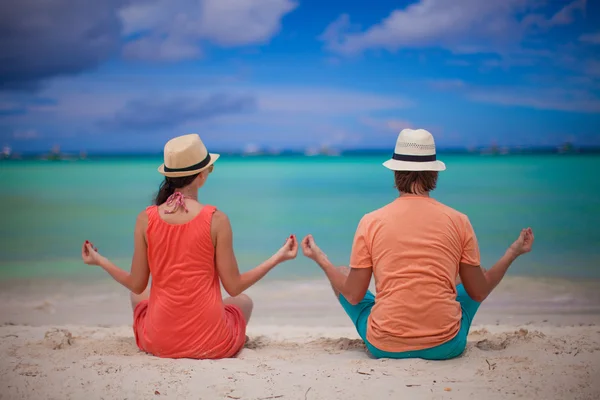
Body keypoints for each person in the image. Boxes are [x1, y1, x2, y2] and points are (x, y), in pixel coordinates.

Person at [301, 128, 534, 360]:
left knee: (342, 273)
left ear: (395, 173)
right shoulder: (459, 221)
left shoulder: (371, 221)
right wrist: (512, 253)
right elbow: (479, 291)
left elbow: (353, 295)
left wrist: (321, 259)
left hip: (384, 345)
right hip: (446, 346)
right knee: (473, 277)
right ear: (434, 174)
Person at [81, 133, 298, 359]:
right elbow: (234, 287)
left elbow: (136, 284)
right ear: (202, 176)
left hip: (159, 343)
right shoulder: (216, 220)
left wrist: (99, 260)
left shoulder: (146, 219)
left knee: (139, 296)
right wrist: (278, 257)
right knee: (242, 302)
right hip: (211, 343)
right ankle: (236, 339)